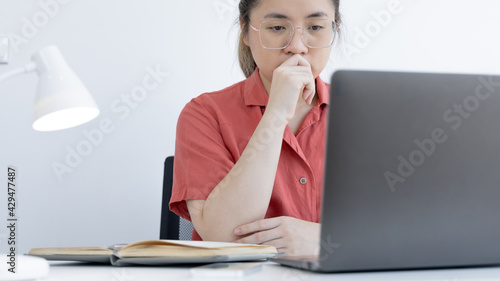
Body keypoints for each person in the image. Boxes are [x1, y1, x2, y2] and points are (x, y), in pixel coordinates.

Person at [170, 0, 341, 256]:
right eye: (276, 28)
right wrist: (276, 113)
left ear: (333, 29)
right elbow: (225, 236)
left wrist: (323, 240)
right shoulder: (205, 113)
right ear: (246, 30)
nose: (297, 47)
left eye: (315, 26)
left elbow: (401, 228)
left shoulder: (367, 115)